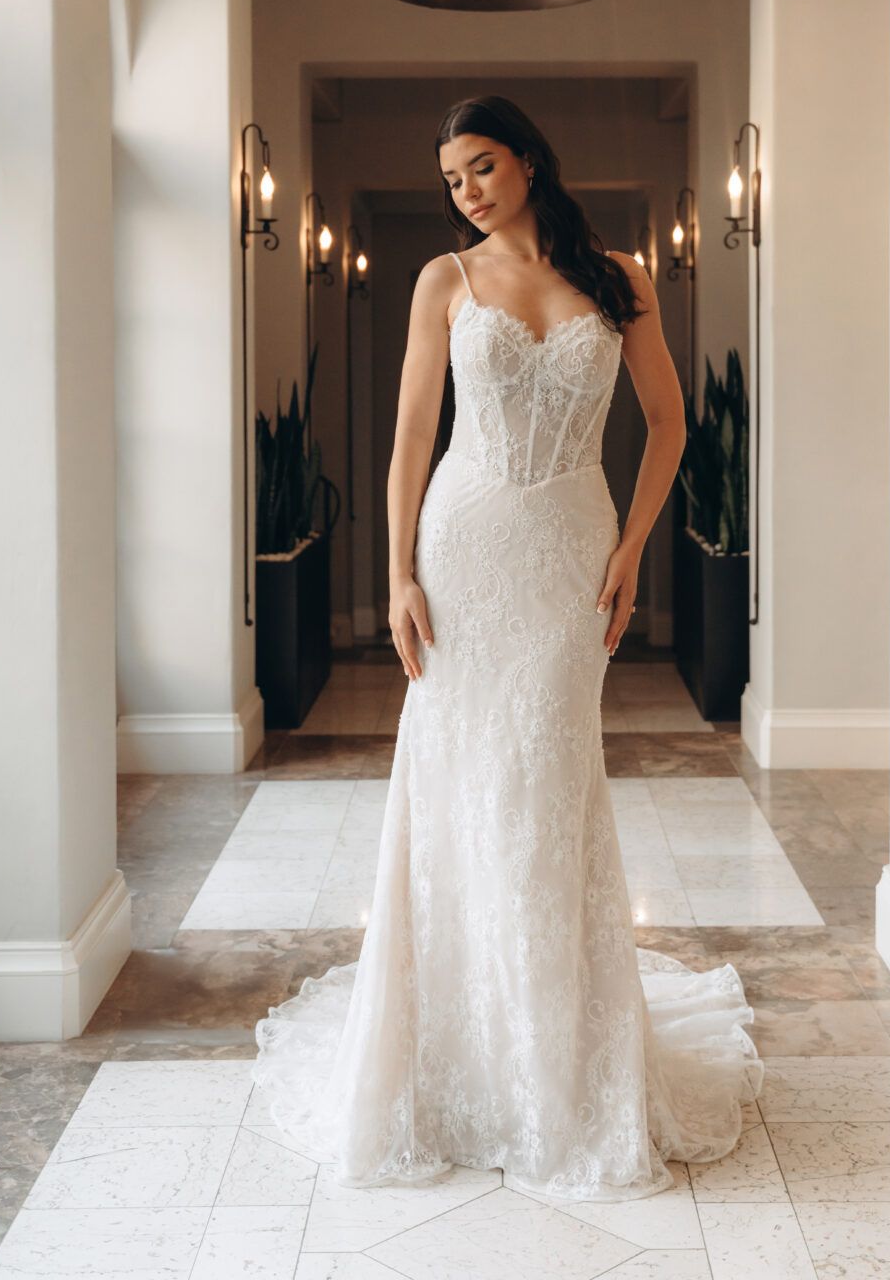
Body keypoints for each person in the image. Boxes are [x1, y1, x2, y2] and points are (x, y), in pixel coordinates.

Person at [251, 94, 763, 1201]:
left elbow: (669, 422)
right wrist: (394, 576)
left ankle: (555, 1059)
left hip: (569, 550)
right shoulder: (446, 280)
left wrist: (632, 547)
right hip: (465, 544)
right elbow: (406, 439)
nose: (466, 191)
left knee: (544, 778)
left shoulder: (618, 277)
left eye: (480, 167)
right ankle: (452, 1055)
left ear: (527, 161)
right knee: (456, 780)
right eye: (450, 180)